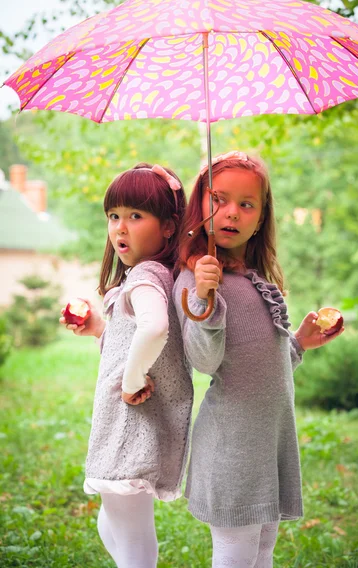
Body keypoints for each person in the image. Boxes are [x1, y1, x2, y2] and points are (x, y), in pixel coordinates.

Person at [173, 151, 344, 568]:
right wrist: (204, 298)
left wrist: (299, 343)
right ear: (200, 205)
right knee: (236, 552)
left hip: (267, 441)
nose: (231, 212)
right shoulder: (193, 280)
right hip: (233, 446)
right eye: (219, 199)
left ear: (261, 216)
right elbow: (204, 361)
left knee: (263, 548)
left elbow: (259, 365)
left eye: (246, 204)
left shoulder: (251, 275)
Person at [60, 163, 193, 568]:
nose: (120, 227)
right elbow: (134, 339)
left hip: (131, 426)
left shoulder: (146, 276)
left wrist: (132, 379)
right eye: (114, 216)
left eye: (136, 216)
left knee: (134, 539)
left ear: (169, 227)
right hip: (131, 426)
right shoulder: (154, 276)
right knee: (112, 522)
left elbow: (154, 329)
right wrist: (101, 329)